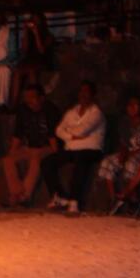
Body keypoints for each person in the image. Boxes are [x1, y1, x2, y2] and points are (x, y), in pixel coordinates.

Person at [41, 81, 106, 215]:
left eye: (86, 91)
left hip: (91, 149)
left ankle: (74, 201)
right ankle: (60, 196)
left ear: (93, 94)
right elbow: (58, 130)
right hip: (71, 149)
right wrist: (71, 137)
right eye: (81, 91)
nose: (83, 94)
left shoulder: (96, 113)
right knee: (47, 162)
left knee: (81, 160)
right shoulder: (71, 112)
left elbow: (82, 131)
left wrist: (69, 131)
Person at [2, 84, 59, 207]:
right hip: (29, 147)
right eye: (27, 97)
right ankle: (16, 193)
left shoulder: (50, 109)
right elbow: (18, 133)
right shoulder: (23, 109)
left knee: (36, 158)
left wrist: (56, 153)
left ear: (41, 98)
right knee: (8, 160)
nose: (29, 100)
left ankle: (25, 195)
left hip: (46, 147)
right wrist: (12, 151)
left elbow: (52, 134)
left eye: (32, 97)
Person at [98, 96, 140, 210]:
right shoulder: (125, 123)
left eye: (135, 105)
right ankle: (114, 199)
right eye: (129, 105)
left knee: (131, 164)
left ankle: (133, 199)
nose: (131, 108)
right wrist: (123, 153)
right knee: (108, 162)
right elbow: (123, 142)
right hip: (128, 152)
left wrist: (129, 155)